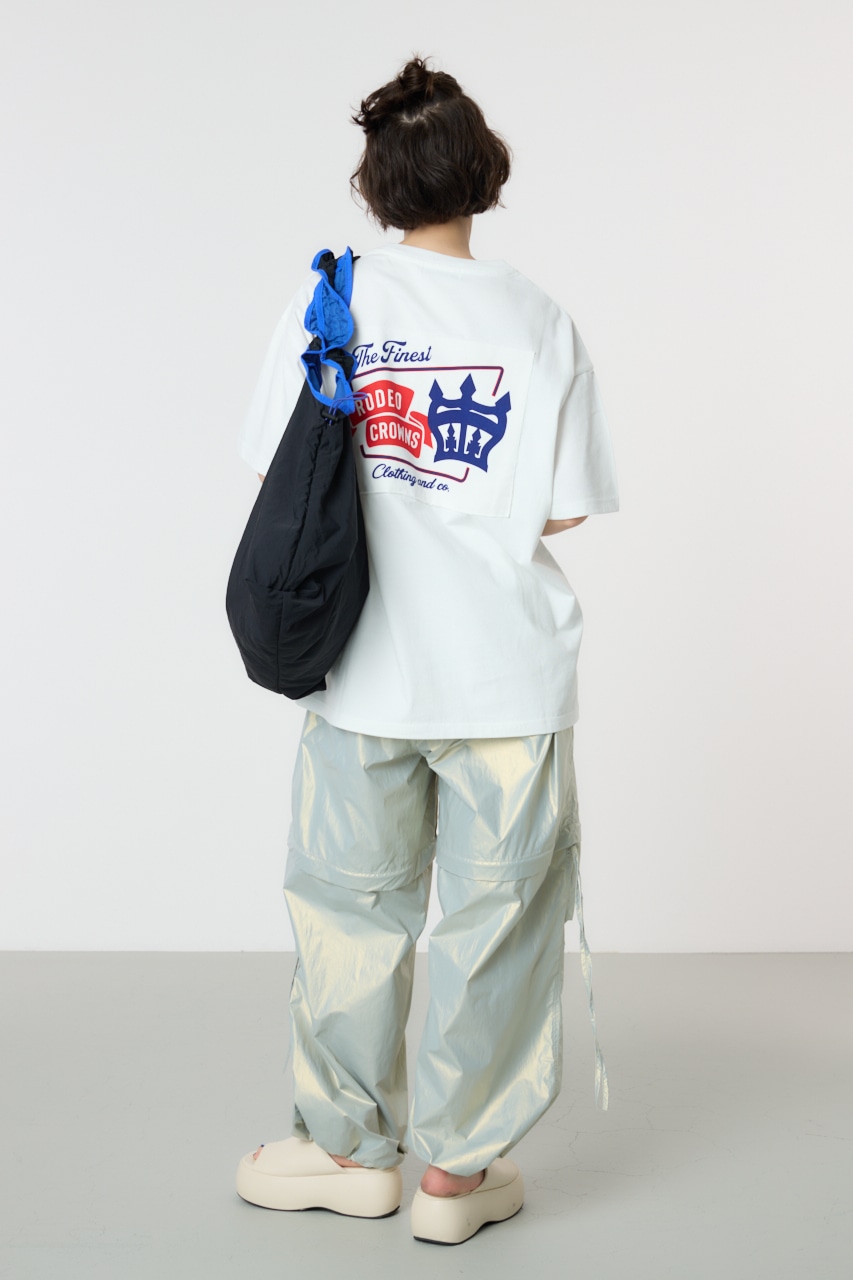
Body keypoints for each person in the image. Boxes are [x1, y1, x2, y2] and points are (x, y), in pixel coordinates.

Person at [233, 53, 619, 1246]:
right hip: (506, 675)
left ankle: (348, 1153)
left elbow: (280, 474)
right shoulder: (539, 319)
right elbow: (562, 508)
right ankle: (458, 1174)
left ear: (376, 185)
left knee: (350, 913)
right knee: (496, 920)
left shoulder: (335, 301)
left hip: (365, 672)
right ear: (484, 175)